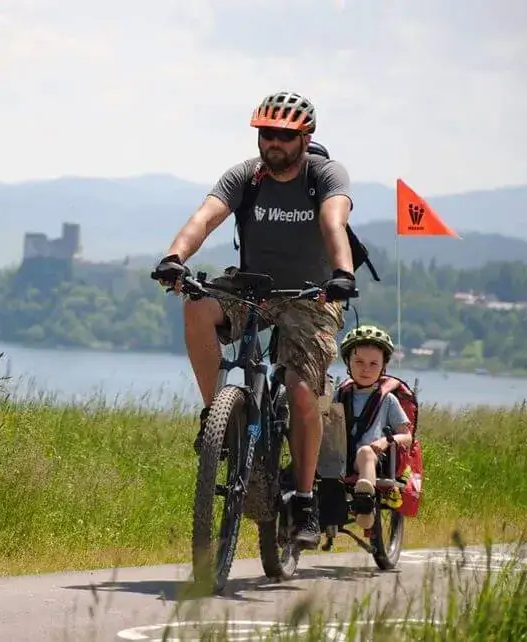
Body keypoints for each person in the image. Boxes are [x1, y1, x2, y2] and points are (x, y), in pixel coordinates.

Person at [152, 90, 358, 548]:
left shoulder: (323, 175)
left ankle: (303, 500)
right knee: (196, 305)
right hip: (254, 288)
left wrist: (342, 272)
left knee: (304, 393)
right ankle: (217, 420)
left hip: (313, 295)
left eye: (285, 135)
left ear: (305, 137)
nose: (274, 143)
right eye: (266, 134)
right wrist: (174, 256)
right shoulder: (247, 176)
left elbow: (332, 222)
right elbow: (205, 217)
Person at [337, 325, 414, 529]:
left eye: (373, 364)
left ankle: (365, 504)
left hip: (372, 457)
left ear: (383, 367)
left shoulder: (387, 400)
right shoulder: (339, 395)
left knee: (365, 452)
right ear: (348, 362)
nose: (366, 369)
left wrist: (385, 441)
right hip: (338, 456)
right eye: (359, 362)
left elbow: (407, 436)